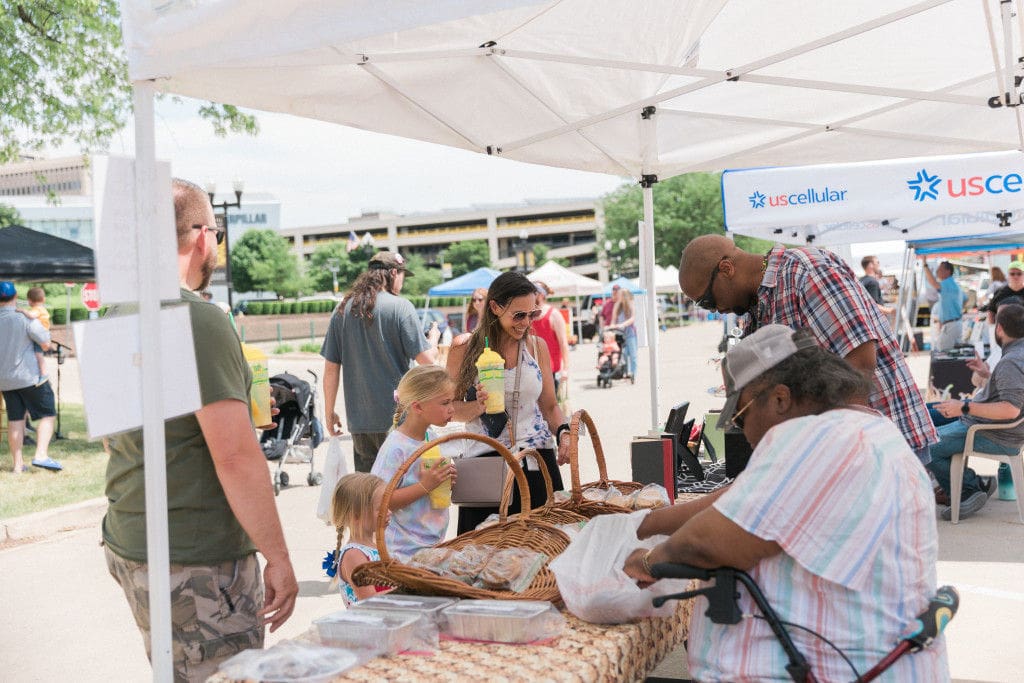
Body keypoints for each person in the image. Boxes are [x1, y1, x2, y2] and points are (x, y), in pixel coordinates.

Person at [623, 325, 947, 681]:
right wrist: (641, 523)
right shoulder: (861, 431)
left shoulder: (823, 440)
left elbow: (706, 543)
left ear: (780, 399)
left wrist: (648, 561)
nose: (742, 432)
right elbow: (737, 498)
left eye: (740, 416)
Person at [103, 179, 298, 682]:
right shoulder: (200, 319)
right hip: (197, 557)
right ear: (202, 237)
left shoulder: (114, 312)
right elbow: (235, 457)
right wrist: (278, 557)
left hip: (133, 538)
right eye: (217, 230)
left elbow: (116, 435)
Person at [679, 234, 937, 464]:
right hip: (843, 448)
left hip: (877, 448)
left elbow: (859, 367)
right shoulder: (759, 303)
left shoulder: (806, 271)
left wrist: (815, 457)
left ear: (726, 268)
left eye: (707, 300)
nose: (714, 310)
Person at [447, 271, 570, 533]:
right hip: (486, 465)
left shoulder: (537, 347)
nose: (526, 323)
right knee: (484, 557)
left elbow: (550, 406)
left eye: (532, 314)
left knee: (545, 551)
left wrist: (564, 432)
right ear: (494, 307)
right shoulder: (464, 348)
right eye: (518, 315)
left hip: (537, 461)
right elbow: (448, 410)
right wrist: (477, 406)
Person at [321, 251, 439, 472]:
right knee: (403, 493)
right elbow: (427, 362)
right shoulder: (400, 307)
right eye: (403, 275)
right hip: (399, 420)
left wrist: (329, 412)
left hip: (360, 424)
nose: (403, 282)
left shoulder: (343, 310)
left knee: (369, 495)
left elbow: (330, 369)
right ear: (393, 273)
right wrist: (433, 340)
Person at [927, 303, 1024, 520]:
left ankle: (968, 488)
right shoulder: (1016, 355)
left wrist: (963, 406)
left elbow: (1011, 409)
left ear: (999, 329)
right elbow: (1015, 391)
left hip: (990, 432)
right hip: (987, 425)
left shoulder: (1012, 362)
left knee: (925, 443)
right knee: (923, 414)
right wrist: (987, 374)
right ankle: (972, 483)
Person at [370, 365, 458, 561]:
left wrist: (444, 480)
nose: (452, 409)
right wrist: (425, 486)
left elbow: (428, 485)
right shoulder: (396, 447)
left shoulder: (430, 436)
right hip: (402, 552)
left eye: (452, 401)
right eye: (445, 403)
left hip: (430, 546)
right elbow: (380, 499)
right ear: (418, 407)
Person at [0, 281, 61, 473]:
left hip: (5, 380)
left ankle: (18, 465)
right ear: (16, 297)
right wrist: (32, 319)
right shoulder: (23, 319)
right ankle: (41, 455)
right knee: (48, 413)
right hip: (29, 377)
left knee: (15, 419)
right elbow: (45, 342)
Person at [325, 472, 392, 605]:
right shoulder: (354, 555)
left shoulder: (376, 545)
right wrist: (407, 589)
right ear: (356, 516)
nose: (389, 512)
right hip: (370, 624)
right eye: (381, 508)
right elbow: (369, 601)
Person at [530, 281, 570, 393]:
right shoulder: (527, 315)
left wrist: (565, 369)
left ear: (541, 295)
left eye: (532, 292)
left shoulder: (554, 314)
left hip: (551, 371)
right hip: (532, 371)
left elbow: (563, 343)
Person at [920, 257, 965, 352]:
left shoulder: (947, 283)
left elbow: (933, 283)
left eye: (939, 270)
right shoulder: (953, 284)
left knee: (943, 353)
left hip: (951, 325)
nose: (937, 272)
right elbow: (966, 299)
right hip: (954, 323)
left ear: (947, 271)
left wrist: (925, 265)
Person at [20, 286, 50, 384]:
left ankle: (44, 374)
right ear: (43, 299)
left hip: (41, 335)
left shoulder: (37, 309)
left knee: (39, 356)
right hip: (44, 334)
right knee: (39, 355)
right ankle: (43, 373)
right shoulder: (42, 308)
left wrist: (22, 311)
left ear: (29, 301)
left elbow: (31, 315)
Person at [608, 288, 638, 379]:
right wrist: (612, 327)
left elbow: (632, 318)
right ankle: (626, 372)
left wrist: (622, 324)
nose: (617, 296)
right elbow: (613, 320)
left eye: (619, 294)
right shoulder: (617, 305)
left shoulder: (630, 304)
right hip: (620, 333)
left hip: (630, 333)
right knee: (623, 354)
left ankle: (633, 373)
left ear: (624, 295)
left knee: (633, 355)